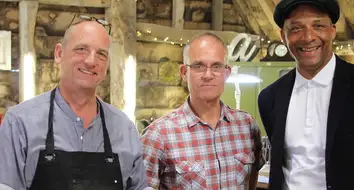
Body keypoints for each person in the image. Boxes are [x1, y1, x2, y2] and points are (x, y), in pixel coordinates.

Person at [0, 15, 150, 190]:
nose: (91, 61)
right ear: (59, 53)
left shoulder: (125, 128)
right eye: (81, 49)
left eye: (101, 54)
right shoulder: (19, 123)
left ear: (107, 64)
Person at [258, 0, 354, 190]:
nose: (308, 37)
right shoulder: (270, 98)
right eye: (296, 28)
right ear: (283, 36)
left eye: (318, 26)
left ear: (332, 30)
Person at [140, 32, 262, 189]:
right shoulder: (159, 135)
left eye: (217, 66)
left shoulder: (247, 126)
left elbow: (252, 180)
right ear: (184, 72)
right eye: (198, 66)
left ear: (227, 73)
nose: (208, 75)